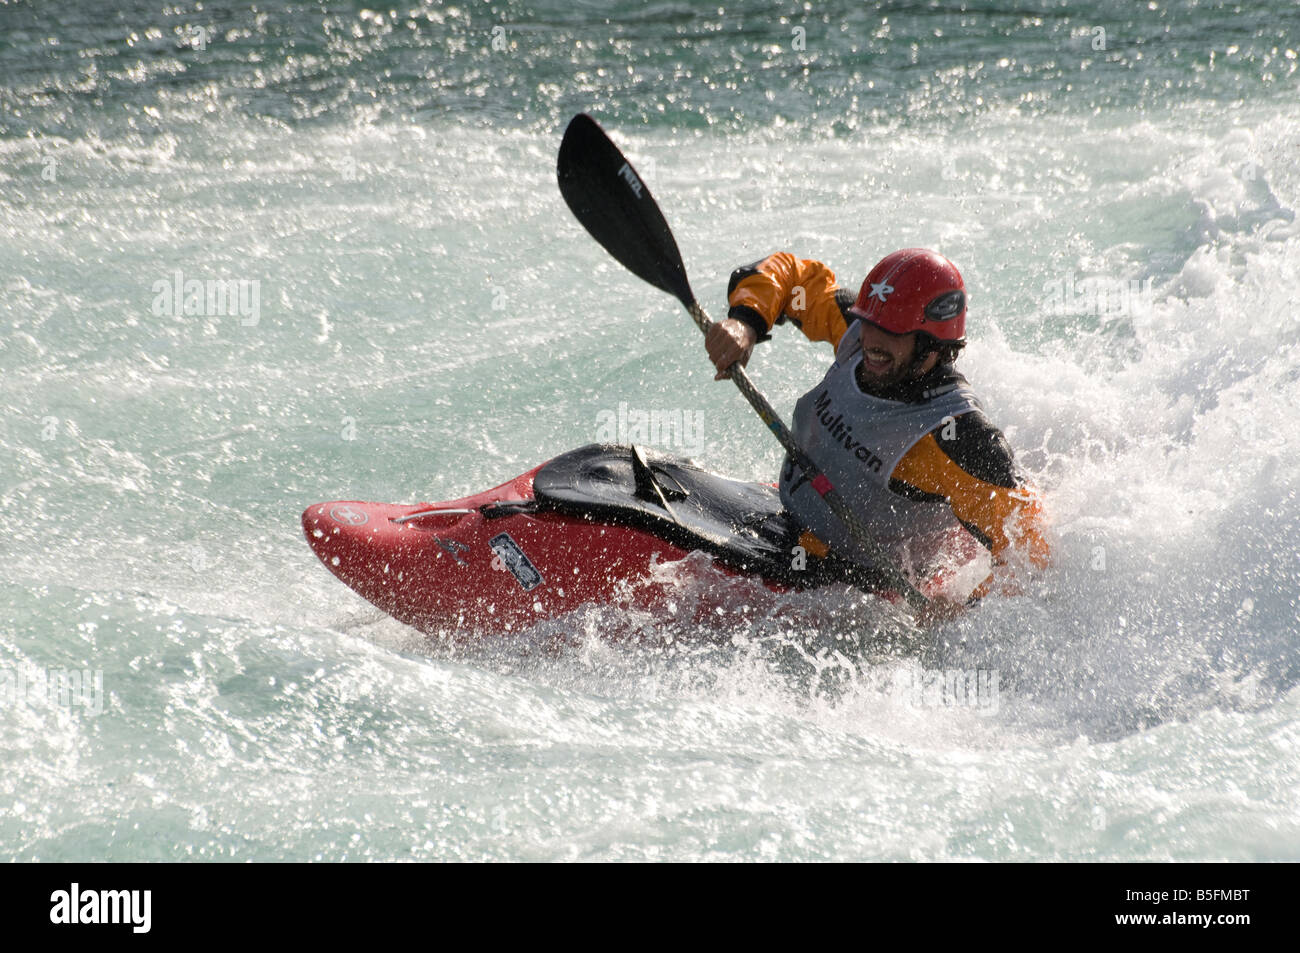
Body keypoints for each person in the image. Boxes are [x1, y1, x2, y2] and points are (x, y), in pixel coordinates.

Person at [704, 248, 1049, 617]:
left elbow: (1032, 551)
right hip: (790, 518)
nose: (871, 342)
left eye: (892, 332)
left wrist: (965, 611)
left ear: (932, 345)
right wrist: (746, 323)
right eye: (869, 322)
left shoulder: (955, 438)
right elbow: (791, 275)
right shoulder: (856, 335)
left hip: (851, 586)